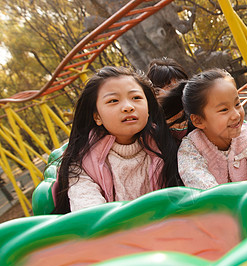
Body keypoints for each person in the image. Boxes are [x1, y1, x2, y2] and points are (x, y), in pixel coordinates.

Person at [52, 66, 181, 213]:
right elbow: (90, 212)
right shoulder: (82, 163)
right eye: (113, 100)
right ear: (97, 116)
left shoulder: (167, 143)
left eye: (136, 98)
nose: (128, 107)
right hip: (115, 232)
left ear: (149, 108)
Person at [169, 68, 247, 189]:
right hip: (219, 206)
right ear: (198, 120)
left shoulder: (246, 136)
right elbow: (202, 186)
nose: (236, 115)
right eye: (224, 110)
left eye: (237, 104)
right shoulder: (190, 148)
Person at [146, 58, 189, 134]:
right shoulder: (153, 129)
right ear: (155, 92)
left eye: (180, 84)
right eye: (169, 86)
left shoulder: (195, 113)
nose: (178, 90)